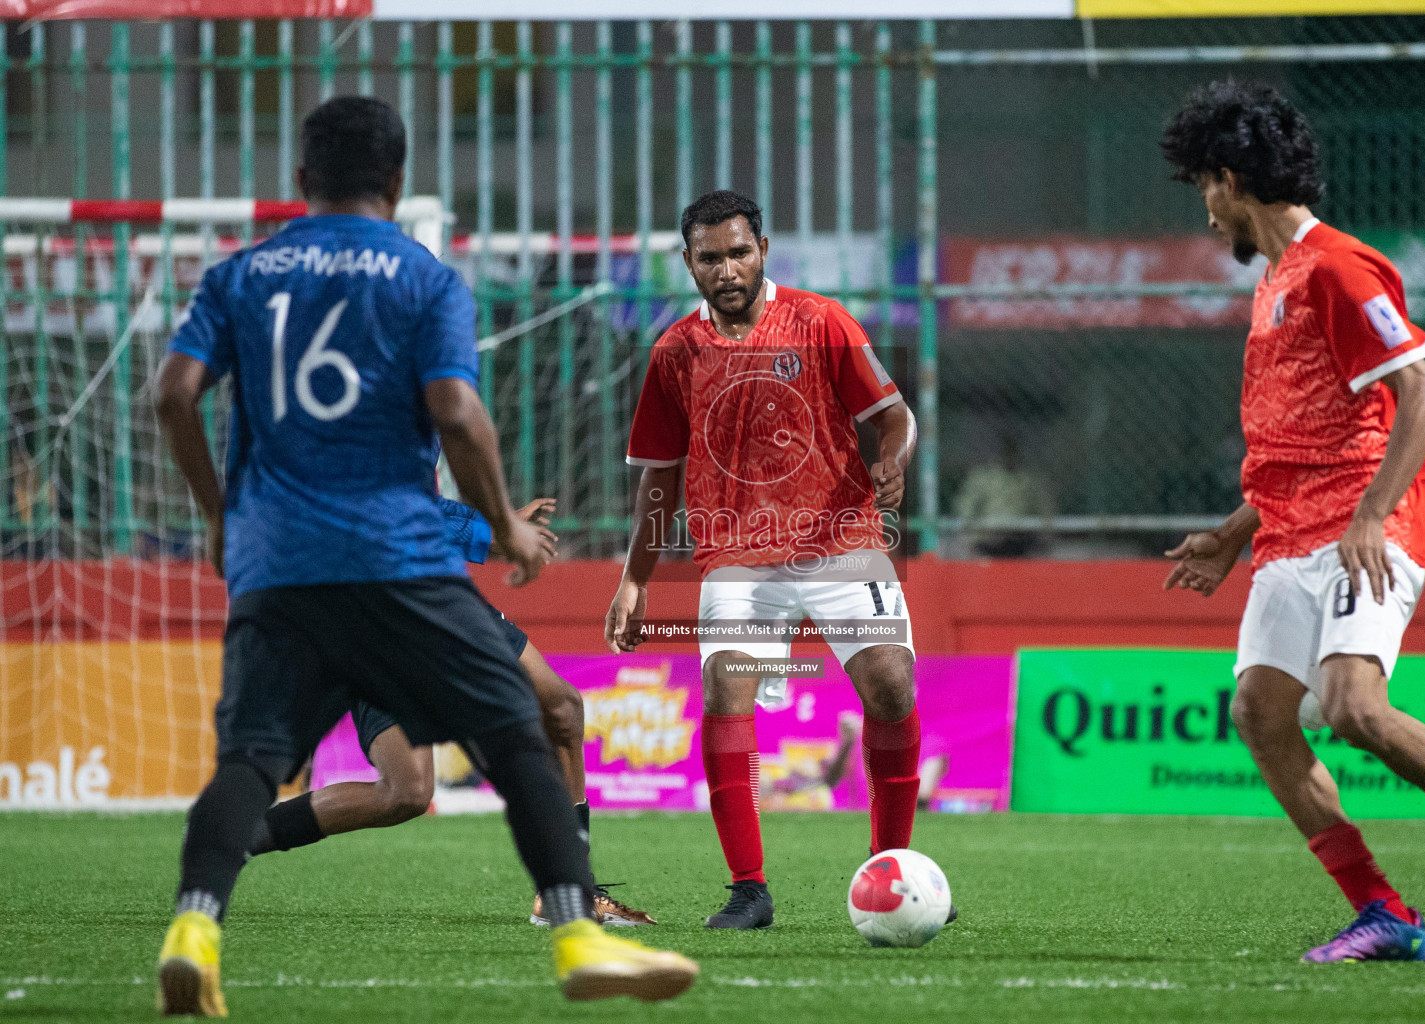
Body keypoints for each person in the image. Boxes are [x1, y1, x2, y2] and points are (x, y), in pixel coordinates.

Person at [151, 95, 694, 1015]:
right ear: (398, 183)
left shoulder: (240, 274)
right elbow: (456, 411)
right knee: (519, 729)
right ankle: (574, 930)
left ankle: (194, 933)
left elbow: (173, 394)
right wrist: (506, 526)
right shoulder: (423, 279)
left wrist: (219, 515)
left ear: (300, 182)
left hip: (278, 563)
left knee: (249, 758)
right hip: (396, 563)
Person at [1159, 79, 1425, 963]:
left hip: (1372, 521)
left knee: (1354, 707)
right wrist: (1231, 532)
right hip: (1291, 531)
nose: (1205, 216)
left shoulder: (1336, 265)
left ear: (1227, 179)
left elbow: (1423, 395)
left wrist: (1368, 517)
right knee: (1259, 711)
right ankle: (1385, 912)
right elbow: (1305, 435)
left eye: (1201, 192)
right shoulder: (1279, 279)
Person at [605, 189, 926, 931]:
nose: (726, 269)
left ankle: (889, 869)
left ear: (764, 250)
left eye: (738, 252)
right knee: (726, 688)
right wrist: (635, 580)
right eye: (709, 257)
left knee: (891, 683)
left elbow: (894, 415)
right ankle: (749, 889)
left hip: (840, 537)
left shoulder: (821, 321)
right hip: (737, 552)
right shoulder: (675, 353)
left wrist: (891, 460)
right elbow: (660, 472)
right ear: (688, 263)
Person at [246, 494, 656, 927]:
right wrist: (496, 530)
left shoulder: (417, 434)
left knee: (561, 708)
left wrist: (493, 525)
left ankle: (569, 890)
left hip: (437, 595)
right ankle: (237, 837)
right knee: (406, 794)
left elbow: (415, 499)